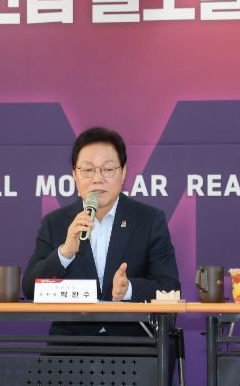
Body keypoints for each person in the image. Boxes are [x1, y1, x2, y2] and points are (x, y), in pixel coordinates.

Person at [22, 127, 180, 336]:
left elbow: (170, 288)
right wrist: (65, 253)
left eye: (107, 169)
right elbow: (30, 289)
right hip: (71, 346)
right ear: (74, 174)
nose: (97, 179)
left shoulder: (149, 220)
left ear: (123, 172)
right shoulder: (55, 223)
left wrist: (128, 289)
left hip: (133, 345)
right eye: (88, 170)